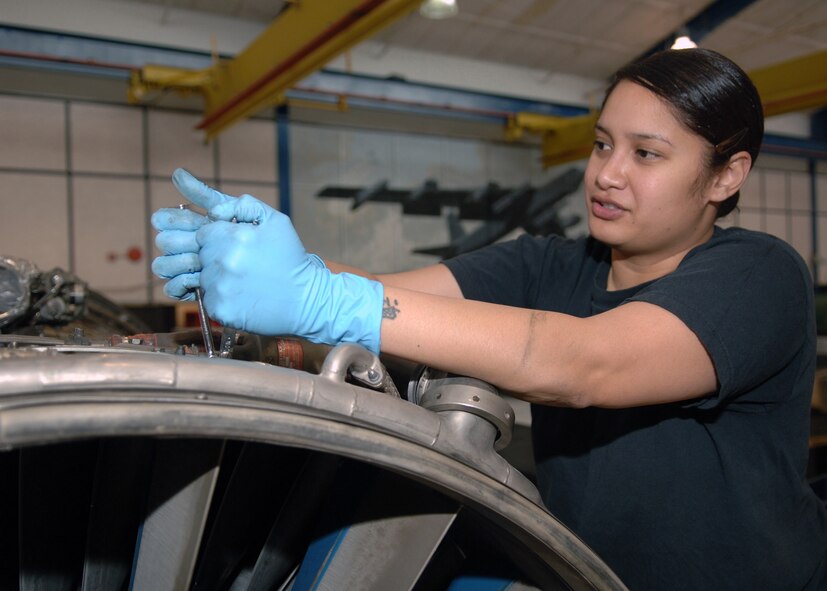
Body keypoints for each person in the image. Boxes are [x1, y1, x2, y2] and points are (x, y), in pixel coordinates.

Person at [151, 48, 827, 589]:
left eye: (644, 154)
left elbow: (582, 362)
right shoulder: (551, 265)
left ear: (723, 176)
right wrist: (263, 268)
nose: (605, 174)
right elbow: (381, 297)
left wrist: (324, 300)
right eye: (600, 145)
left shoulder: (758, 276)